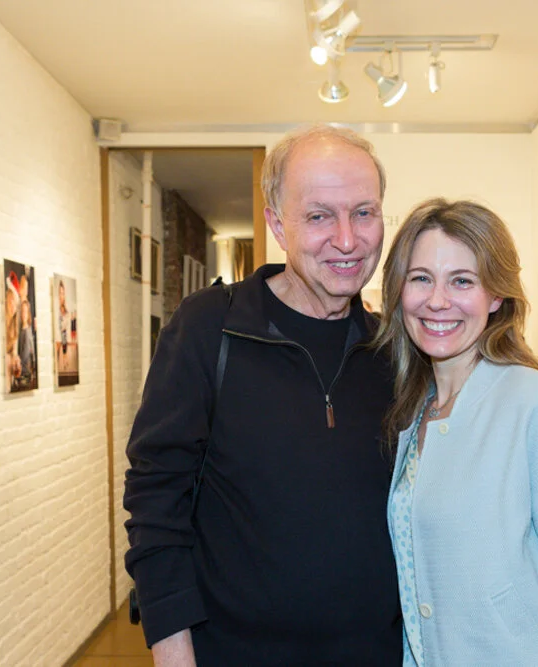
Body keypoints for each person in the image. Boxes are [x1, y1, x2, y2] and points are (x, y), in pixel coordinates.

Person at [124, 125, 402, 666]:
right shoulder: (211, 328)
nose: (347, 240)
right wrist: (173, 651)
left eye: (364, 212)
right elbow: (156, 497)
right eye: (319, 216)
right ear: (277, 225)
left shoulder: (393, 351)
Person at [374, 198, 538, 665]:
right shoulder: (414, 410)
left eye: (462, 281)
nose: (437, 300)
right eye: (421, 279)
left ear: (496, 296)